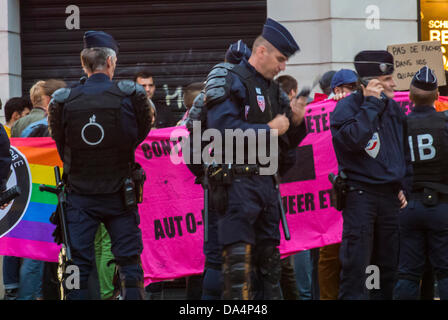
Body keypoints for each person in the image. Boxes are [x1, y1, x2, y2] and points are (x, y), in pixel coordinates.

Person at [205, 18, 307, 300]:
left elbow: (286, 141)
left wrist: (296, 123)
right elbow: (221, 131)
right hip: (236, 184)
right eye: (280, 58)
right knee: (237, 273)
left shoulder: (275, 90)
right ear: (261, 51)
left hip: (266, 184)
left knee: (270, 270)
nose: (283, 66)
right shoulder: (231, 80)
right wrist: (268, 129)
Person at [48, 30, 153, 300]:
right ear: (110, 62)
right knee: (129, 262)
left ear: (84, 64)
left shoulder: (63, 100)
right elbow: (139, 134)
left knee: (76, 266)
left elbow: (61, 143)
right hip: (121, 194)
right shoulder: (130, 96)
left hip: (79, 195)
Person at [330, 50, 411, 300]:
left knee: (383, 270)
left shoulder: (394, 110)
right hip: (361, 198)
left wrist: (402, 186)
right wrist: (371, 104)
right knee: (358, 269)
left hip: (389, 200)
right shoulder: (346, 109)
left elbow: (403, 153)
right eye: (387, 80)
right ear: (372, 83)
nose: (394, 84)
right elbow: (354, 139)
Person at [393, 66, 448, 300]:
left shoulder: (399, 126)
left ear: (410, 96)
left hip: (407, 206)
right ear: (437, 96)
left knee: (407, 273)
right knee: (445, 272)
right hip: (441, 207)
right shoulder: (445, 124)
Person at [318, 68, 358, 300]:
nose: (354, 92)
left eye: (356, 87)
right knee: (329, 255)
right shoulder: (322, 111)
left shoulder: (365, 106)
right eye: (349, 88)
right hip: (331, 195)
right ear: (337, 90)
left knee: (361, 255)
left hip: (359, 191)